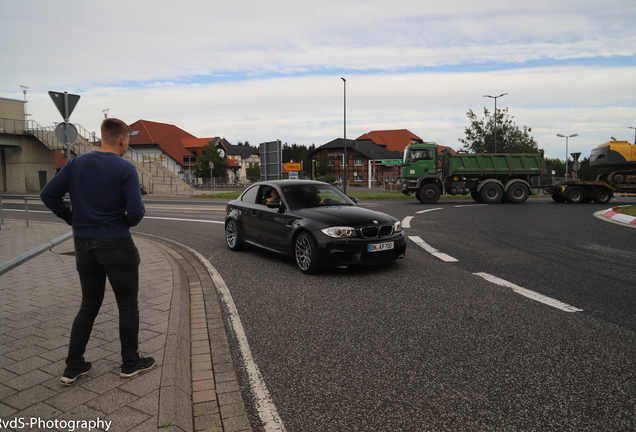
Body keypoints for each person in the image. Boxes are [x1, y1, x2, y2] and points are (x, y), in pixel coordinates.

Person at [40, 118, 155, 386]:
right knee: (127, 304)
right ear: (123, 140)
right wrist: (121, 223)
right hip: (116, 244)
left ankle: (73, 366)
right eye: (128, 142)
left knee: (89, 304)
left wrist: (72, 218)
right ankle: (129, 363)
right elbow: (136, 212)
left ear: (101, 138)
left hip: (84, 244)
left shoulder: (76, 164)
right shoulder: (125, 168)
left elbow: (48, 195)